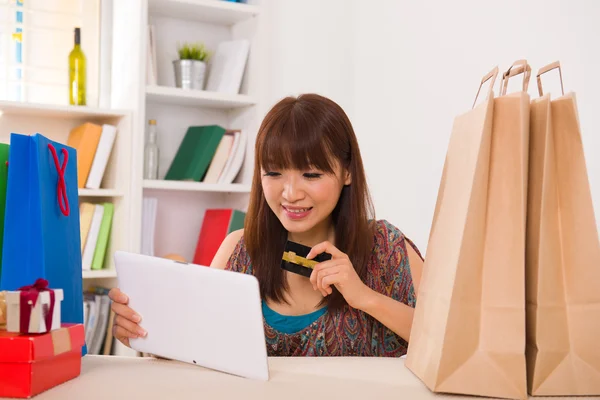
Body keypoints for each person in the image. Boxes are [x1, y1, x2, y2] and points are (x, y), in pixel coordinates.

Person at [109, 93, 424, 357]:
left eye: (311, 175)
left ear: (347, 172)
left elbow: (450, 345)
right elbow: (193, 349)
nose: (290, 194)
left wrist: (364, 297)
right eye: (273, 173)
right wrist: (143, 333)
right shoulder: (239, 249)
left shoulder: (387, 248)